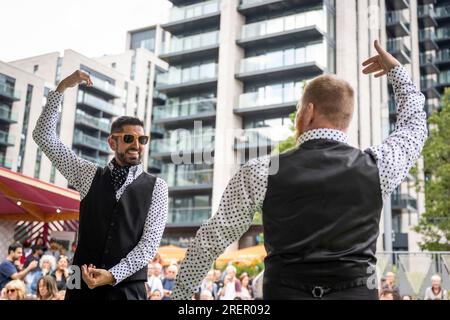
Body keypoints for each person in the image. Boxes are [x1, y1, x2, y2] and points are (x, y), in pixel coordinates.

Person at [172, 40, 428, 300]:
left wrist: (179, 296)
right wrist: (398, 73)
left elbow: (212, 239)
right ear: (346, 119)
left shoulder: (261, 171)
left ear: (308, 112)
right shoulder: (377, 167)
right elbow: (414, 127)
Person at [32, 70, 169, 300]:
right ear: (112, 142)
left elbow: (149, 245)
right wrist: (62, 87)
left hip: (127, 287)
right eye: (128, 138)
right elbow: (43, 136)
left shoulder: (158, 187)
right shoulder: (87, 173)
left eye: (142, 140)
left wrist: (113, 274)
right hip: (79, 282)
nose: (137, 144)